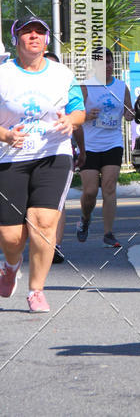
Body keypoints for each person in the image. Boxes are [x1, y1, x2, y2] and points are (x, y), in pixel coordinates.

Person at [0, 16, 85, 311]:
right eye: (27, 32)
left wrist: (70, 122)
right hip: (11, 157)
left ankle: (36, 290)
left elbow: (78, 110)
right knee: (11, 235)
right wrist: (6, 134)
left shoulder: (62, 74)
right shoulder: (3, 74)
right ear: (16, 39)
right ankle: (11, 266)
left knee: (43, 223)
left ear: (47, 39)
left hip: (53, 153)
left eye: (40, 32)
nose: (34, 36)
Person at [77, 48, 134, 248]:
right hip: (90, 144)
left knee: (109, 188)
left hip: (113, 143)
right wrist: (86, 115)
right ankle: (85, 218)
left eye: (109, 62)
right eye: (102, 63)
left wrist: (130, 114)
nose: (107, 66)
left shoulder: (121, 86)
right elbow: (74, 116)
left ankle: (108, 233)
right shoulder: (86, 87)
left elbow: (128, 110)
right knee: (90, 191)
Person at [44, 52, 86, 264]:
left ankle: (55, 246)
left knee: (57, 203)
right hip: (26, 154)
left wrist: (83, 149)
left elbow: (77, 119)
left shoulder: (64, 86)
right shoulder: (23, 87)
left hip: (59, 152)